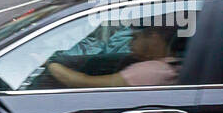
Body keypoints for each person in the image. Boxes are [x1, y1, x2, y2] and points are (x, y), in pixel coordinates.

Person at [47, 25, 179, 88]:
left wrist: (49, 63)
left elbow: (83, 83)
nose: (130, 44)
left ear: (153, 37)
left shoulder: (152, 71)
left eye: (135, 38)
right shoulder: (169, 65)